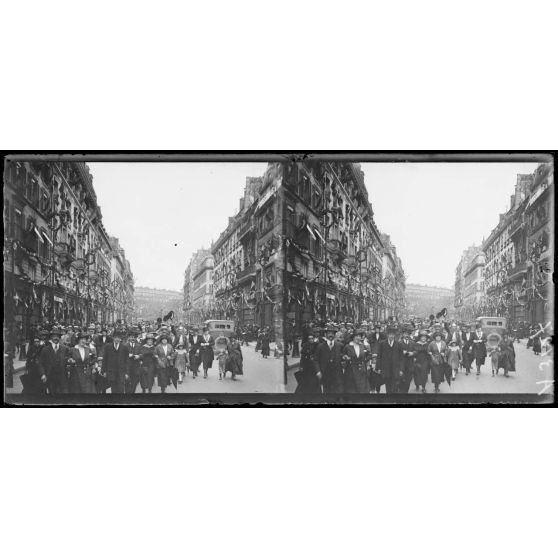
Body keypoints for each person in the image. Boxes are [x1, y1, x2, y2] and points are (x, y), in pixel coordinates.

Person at [38, 328, 70, 394]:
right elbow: (40, 363)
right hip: (50, 376)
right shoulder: (45, 349)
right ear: (51, 338)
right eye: (53, 336)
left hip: (62, 377)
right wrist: (43, 374)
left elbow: (67, 361)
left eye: (57, 336)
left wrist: (69, 366)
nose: (55, 338)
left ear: (60, 338)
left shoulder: (64, 349)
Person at [314, 325, 344, 394]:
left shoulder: (340, 345)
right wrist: (318, 371)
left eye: (332, 333)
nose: (331, 335)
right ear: (326, 334)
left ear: (335, 335)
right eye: (329, 333)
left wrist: (343, 361)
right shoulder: (320, 346)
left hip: (337, 373)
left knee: (337, 391)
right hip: (325, 372)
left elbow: (343, 357)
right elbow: (315, 360)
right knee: (326, 390)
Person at [101, 329, 129, 394]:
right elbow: (105, 359)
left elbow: (127, 361)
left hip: (121, 372)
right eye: (115, 337)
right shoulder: (108, 347)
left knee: (121, 389)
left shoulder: (124, 347)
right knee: (113, 389)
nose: (117, 339)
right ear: (113, 338)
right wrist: (104, 371)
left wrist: (127, 372)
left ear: (120, 338)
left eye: (118, 337)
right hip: (111, 372)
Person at [376, 328, 403, 394]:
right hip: (386, 368)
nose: (391, 336)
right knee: (387, 383)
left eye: (392, 335)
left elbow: (401, 358)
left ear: (394, 335)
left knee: (395, 384)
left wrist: (401, 369)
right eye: (390, 334)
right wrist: (378, 368)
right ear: (387, 335)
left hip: (395, 368)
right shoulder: (382, 344)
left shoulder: (399, 344)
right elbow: (379, 356)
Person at [399, 328, 416, 393]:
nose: (406, 335)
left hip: (410, 363)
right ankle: (401, 391)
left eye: (408, 334)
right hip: (401, 364)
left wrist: (413, 353)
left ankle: (406, 392)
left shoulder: (412, 342)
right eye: (405, 334)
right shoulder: (399, 343)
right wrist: (402, 352)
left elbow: (416, 351)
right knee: (401, 378)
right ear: (403, 334)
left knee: (408, 379)